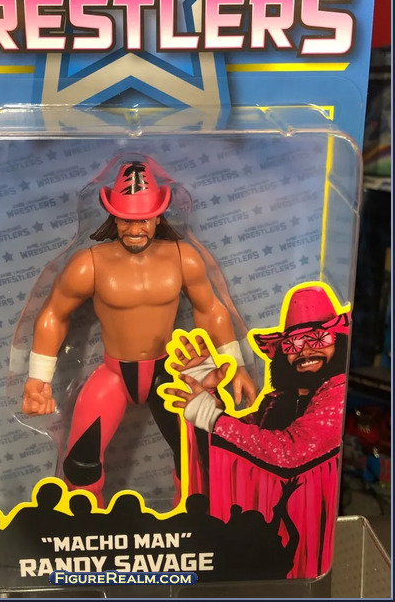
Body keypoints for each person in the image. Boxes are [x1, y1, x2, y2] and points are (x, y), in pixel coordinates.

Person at [22, 160, 256, 505]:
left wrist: (234, 364)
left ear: (159, 216)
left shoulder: (182, 257)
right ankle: (85, 527)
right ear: (113, 216)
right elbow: (54, 314)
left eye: (143, 219)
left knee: (196, 454)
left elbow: (211, 310)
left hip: (168, 372)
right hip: (114, 375)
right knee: (80, 462)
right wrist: (38, 378)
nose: (134, 228)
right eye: (125, 219)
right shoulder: (89, 263)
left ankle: (197, 521)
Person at [167, 284, 350, 579]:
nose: (306, 351)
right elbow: (245, 443)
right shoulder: (279, 400)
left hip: (308, 550)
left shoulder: (338, 392)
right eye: (293, 344)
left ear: (338, 341)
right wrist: (208, 394)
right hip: (267, 543)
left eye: (319, 337)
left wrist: (212, 417)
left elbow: (291, 451)